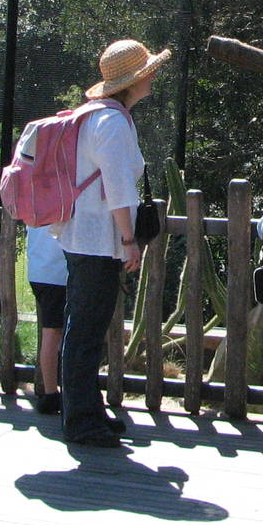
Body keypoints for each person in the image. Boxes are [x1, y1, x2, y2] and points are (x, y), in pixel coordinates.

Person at [51, 38, 169, 447]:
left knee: (84, 327)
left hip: (82, 236)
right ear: (133, 81)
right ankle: (81, 422)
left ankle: (87, 411)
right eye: (148, 71)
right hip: (98, 240)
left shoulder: (93, 116)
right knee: (86, 332)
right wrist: (128, 240)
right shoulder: (113, 123)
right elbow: (118, 188)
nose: (153, 76)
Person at [25, 224, 66, 414]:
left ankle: (52, 393)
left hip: (39, 267)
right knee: (54, 332)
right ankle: (52, 393)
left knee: (52, 331)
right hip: (58, 270)